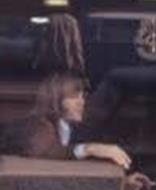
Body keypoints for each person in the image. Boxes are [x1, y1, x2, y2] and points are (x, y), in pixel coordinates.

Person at [13, 73, 144, 180]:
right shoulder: (38, 125)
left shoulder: (72, 128)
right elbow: (50, 153)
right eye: (74, 97)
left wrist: (123, 183)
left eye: (83, 96)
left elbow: (80, 166)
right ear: (56, 100)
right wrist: (91, 148)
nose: (82, 102)